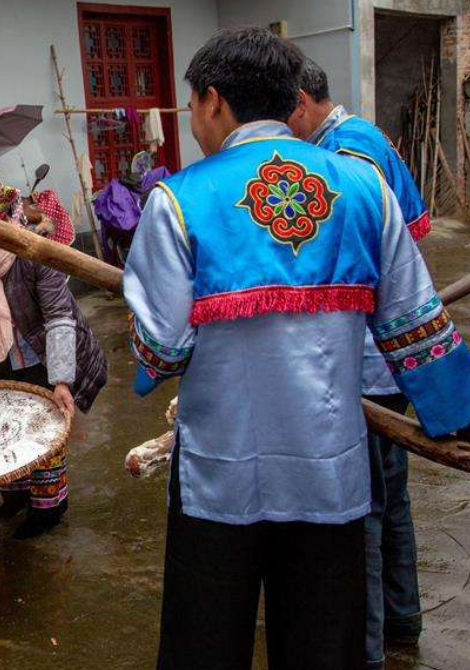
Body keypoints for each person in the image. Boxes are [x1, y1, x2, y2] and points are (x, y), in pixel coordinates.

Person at [124, 28, 470, 669]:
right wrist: (453, 415)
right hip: (330, 474)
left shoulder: (178, 201)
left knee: (206, 645)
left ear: (214, 101)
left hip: (219, 479)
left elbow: (161, 352)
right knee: (323, 646)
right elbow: (418, 327)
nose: (194, 120)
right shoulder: (365, 191)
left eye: (192, 105)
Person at [288, 57, 429, 669]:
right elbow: (413, 232)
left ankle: (366, 649)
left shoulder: (342, 158)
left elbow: (336, 265)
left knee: (364, 510)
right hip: (387, 357)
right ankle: (403, 617)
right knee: (391, 495)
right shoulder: (369, 137)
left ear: (299, 102)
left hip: (365, 359)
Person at [0, 185, 108, 539]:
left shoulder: (37, 253)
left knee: (43, 433)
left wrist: (61, 380)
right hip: (1, 356)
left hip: (45, 356)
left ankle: (48, 508)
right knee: (6, 426)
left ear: (9, 223)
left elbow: (58, 318)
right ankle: (16, 493)